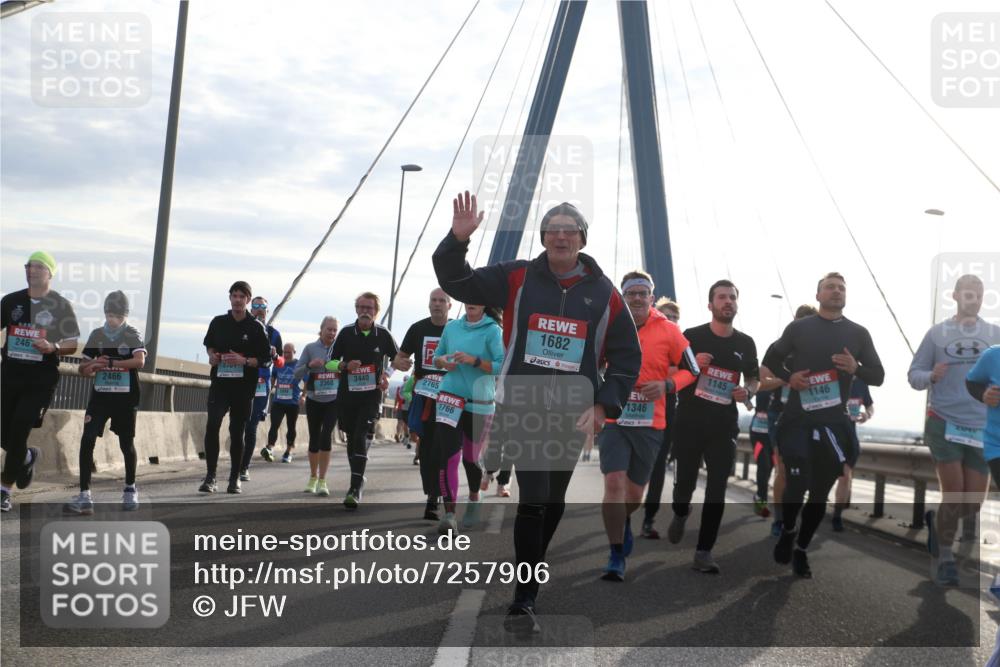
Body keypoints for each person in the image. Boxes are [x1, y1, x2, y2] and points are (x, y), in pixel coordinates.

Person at [433, 192, 641, 634]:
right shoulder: (517, 277)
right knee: (534, 498)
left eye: (570, 229)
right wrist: (457, 240)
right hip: (522, 407)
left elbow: (627, 358)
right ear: (543, 237)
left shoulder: (605, 294)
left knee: (553, 501)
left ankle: (532, 564)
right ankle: (524, 599)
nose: (561, 236)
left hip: (572, 413)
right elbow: (458, 282)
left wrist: (604, 404)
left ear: (582, 239)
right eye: (553, 229)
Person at [763, 272, 884, 578]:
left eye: (841, 287)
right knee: (797, 482)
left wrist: (856, 367)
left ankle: (801, 549)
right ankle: (788, 529)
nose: (836, 291)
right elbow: (770, 360)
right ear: (818, 295)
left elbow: (878, 375)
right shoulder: (799, 328)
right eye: (830, 287)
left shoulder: (859, 333)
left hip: (834, 425)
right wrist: (789, 377)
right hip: (798, 420)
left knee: (819, 492)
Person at [600, 270, 696, 581]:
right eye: (631, 293)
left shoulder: (669, 330)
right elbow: (593, 363)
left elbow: (692, 369)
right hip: (614, 418)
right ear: (623, 297)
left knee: (633, 495)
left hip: (650, 422)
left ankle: (625, 520)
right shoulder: (608, 325)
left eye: (643, 293)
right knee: (614, 483)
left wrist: (668, 385)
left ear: (652, 298)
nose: (638, 298)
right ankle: (616, 554)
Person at [909, 274, 1000, 584]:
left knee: (972, 503)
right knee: (954, 493)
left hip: (982, 427)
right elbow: (914, 374)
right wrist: (931, 376)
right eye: (968, 294)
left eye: (979, 295)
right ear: (956, 296)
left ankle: (937, 524)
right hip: (944, 420)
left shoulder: (994, 335)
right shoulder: (937, 334)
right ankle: (945, 557)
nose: (974, 299)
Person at [667, 279, 759, 574]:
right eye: (721, 297)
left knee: (717, 488)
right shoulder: (691, 336)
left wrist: (748, 391)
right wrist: (692, 363)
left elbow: (753, 377)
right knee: (685, 485)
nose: (728, 301)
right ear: (710, 305)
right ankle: (681, 512)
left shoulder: (745, 343)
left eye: (732, 297)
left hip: (724, 425)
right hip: (690, 422)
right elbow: (670, 370)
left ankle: (704, 551)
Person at [1, 251, 80, 513]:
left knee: (19, 429)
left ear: (49, 273)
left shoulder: (61, 305)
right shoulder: (11, 301)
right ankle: (26, 456)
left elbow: (72, 343)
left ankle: (4, 490)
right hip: (9, 376)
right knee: (5, 434)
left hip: (40, 381)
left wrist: (53, 346)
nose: (31, 270)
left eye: (37, 266)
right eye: (28, 266)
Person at [64, 292, 146, 514]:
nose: (113, 320)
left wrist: (111, 362)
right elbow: (82, 368)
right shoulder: (97, 334)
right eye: (109, 315)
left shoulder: (131, 333)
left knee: (126, 444)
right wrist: (92, 366)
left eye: (117, 316)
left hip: (125, 398)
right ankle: (84, 495)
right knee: (87, 439)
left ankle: (130, 489)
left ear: (125, 315)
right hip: (100, 397)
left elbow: (139, 361)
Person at [328, 292, 406, 508]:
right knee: (352, 438)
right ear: (356, 310)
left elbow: (398, 358)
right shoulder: (346, 333)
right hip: (347, 395)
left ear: (376, 312)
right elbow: (328, 362)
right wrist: (344, 365)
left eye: (369, 308)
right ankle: (358, 477)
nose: (365, 311)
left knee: (361, 434)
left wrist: (387, 375)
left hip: (371, 396)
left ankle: (354, 488)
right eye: (361, 307)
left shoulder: (383, 334)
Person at [432, 303, 504, 534]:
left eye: (476, 299)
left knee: (470, 460)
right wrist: (443, 362)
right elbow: (436, 357)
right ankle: (449, 515)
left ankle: (474, 496)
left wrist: (475, 361)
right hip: (449, 398)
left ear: (484, 304)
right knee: (449, 456)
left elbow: (501, 365)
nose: (471, 302)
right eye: (467, 298)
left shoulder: (493, 330)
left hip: (479, 403)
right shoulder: (452, 327)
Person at [200, 281, 270, 494]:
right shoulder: (218, 322)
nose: (238, 300)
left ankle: (234, 478)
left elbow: (266, 360)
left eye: (242, 296)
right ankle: (211, 477)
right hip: (220, 384)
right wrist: (212, 356)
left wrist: (244, 361)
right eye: (235, 296)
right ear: (230, 298)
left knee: (237, 432)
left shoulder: (256, 327)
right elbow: (209, 345)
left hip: (243, 388)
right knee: (212, 424)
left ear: (248, 300)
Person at [757, 304, 818, 536]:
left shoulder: (822, 349)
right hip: (781, 415)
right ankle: (779, 520)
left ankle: (795, 518)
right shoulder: (779, 348)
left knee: (808, 473)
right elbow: (761, 382)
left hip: (811, 415)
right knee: (783, 469)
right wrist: (787, 379)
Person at [395, 287, 452, 520]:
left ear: (449, 305)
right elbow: (399, 357)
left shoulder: (457, 329)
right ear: (429, 304)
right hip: (424, 397)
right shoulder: (418, 329)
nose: (437, 304)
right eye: (433, 300)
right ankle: (431, 493)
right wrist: (400, 363)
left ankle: (436, 498)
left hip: (450, 399)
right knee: (426, 449)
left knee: (444, 448)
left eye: (441, 300)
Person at [641, 297, 682, 538]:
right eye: (667, 316)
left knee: (658, 468)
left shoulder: (681, 347)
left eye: (676, 317)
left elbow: (690, 374)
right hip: (638, 408)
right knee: (635, 467)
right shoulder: (644, 339)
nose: (672, 321)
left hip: (667, 413)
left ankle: (649, 519)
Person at [294, 317, 339, 497]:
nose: (332, 333)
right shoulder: (310, 348)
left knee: (326, 436)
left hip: (333, 399)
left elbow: (348, 370)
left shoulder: (340, 349)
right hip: (314, 398)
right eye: (329, 329)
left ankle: (322, 480)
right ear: (321, 330)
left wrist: (341, 368)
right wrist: (309, 365)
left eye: (335, 330)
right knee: (314, 437)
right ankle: (313, 477)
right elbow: (296, 372)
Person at [242, 296, 282, 477]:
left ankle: (244, 468)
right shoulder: (243, 328)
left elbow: (281, 363)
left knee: (251, 426)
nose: (259, 309)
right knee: (238, 425)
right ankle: (238, 463)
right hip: (242, 382)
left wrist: (275, 356)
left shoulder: (274, 334)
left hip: (261, 385)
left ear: (267, 311)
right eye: (255, 306)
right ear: (251, 310)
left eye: (262, 307)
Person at [831, 377, 874, 531]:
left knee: (845, 476)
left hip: (849, 437)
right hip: (828, 434)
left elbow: (870, 406)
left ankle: (837, 516)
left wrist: (867, 414)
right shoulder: (832, 376)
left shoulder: (861, 382)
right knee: (822, 478)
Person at [266, 342, 302, 464]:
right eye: (284, 352)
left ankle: (288, 451)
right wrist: (269, 389)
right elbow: (273, 377)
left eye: (289, 352)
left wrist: (304, 396)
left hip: (293, 402)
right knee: (274, 424)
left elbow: (307, 380)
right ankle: (270, 448)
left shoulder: (299, 364)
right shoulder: (278, 362)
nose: (286, 354)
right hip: (278, 401)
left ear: (294, 352)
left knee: (291, 427)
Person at [394, 376, 411, 444]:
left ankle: (398, 434)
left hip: (400, 407)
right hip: (407, 407)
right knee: (406, 423)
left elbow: (396, 398)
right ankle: (405, 436)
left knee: (400, 422)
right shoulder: (410, 387)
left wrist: (395, 406)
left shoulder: (400, 387)